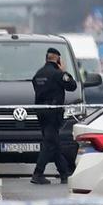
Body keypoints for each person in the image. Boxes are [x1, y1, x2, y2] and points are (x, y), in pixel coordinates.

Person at [30, 47, 77, 185]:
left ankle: (64, 173)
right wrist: (63, 71)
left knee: (54, 143)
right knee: (49, 143)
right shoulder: (57, 74)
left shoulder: (38, 74)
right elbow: (72, 86)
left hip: (41, 112)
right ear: (58, 59)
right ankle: (38, 173)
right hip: (53, 113)